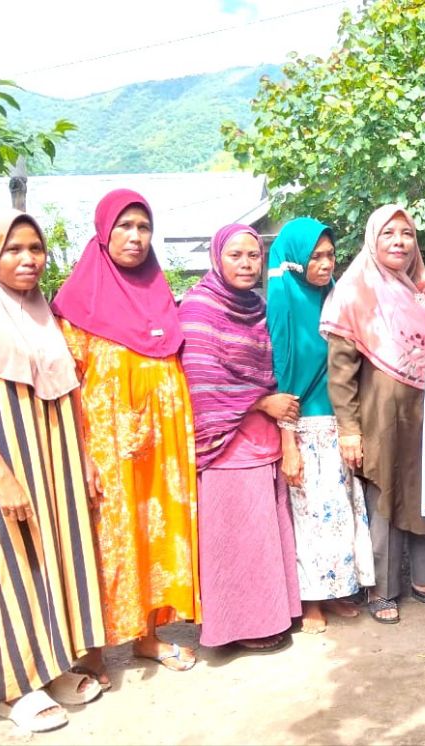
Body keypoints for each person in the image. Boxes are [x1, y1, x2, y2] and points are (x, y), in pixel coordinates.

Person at [0, 211, 106, 732]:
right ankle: (10, 688)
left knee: (48, 562)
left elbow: (62, 391)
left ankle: (49, 667)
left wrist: (83, 457)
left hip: (51, 458)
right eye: (14, 249)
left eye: (36, 248)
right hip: (0, 466)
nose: (29, 259)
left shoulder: (39, 312)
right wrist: (3, 475)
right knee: (6, 566)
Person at [51, 189, 200, 677]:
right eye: (125, 227)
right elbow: (66, 385)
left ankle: (148, 638)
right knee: (111, 544)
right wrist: (80, 455)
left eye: (143, 227)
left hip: (162, 451)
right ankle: (94, 649)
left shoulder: (160, 294)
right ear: (103, 231)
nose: (135, 238)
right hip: (107, 449)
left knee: (154, 539)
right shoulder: (78, 303)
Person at [320, 204, 425, 623]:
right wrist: (349, 429)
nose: (399, 242)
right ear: (372, 239)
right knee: (382, 495)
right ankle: (382, 588)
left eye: (406, 234)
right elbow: (341, 370)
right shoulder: (354, 292)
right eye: (388, 234)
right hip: (379, 416)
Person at [179, 224, 302, 651]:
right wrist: (260, 403)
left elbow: (272, 365)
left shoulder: (256, 305)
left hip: (261, 439)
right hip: (225, 441)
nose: (247, 264)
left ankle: (269, 615)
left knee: (261, 536)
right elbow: (202, 378)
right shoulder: (199, 307)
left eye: (253, 255)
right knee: (234, 540)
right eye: (236, 255)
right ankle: (238, 626)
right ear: (217, 257)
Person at [268, 217, 374, 634]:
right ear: (296, 260)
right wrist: (288, 443)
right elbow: (283, 373)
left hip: (337, 420)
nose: (325, 263)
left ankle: (339, 590)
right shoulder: (283, 300)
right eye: (315, 257)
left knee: (341, 511)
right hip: (303, 425)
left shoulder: (333, 298)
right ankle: (311, 600)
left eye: (330, 255)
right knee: (310, 514)